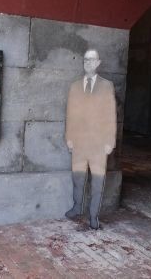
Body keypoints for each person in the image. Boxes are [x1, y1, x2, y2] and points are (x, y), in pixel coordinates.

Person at [65, 49, 117, 229]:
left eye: (92, 60)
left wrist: (110, 141)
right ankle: (76, 207)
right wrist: (69, 138)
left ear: (98, 63)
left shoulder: (106, 85)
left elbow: (111, 115)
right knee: (78, 179)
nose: (88, 63)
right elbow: (70, 114)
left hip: (98, 144)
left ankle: (94, 216)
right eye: (85, 60)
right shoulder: (74, 86)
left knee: (97, 182)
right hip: (79, 143)